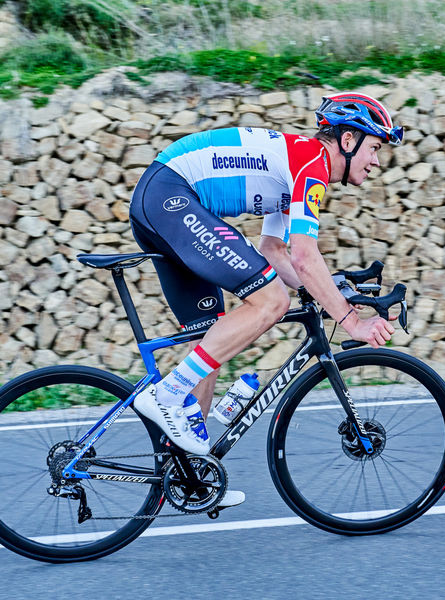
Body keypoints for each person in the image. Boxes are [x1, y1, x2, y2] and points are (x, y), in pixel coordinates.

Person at [129, 92, 402, 507]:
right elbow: (306, 257)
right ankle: (165, 395)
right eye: (375, 147)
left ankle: (193, 477)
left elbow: (276, 250)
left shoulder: (297, 166)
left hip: (163, 198)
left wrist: (334, 291)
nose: (377, 160)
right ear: (348, 140)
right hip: (171, 194)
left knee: (213, 337)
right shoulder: (313, 162)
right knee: (271, 301)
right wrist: (350, 320)